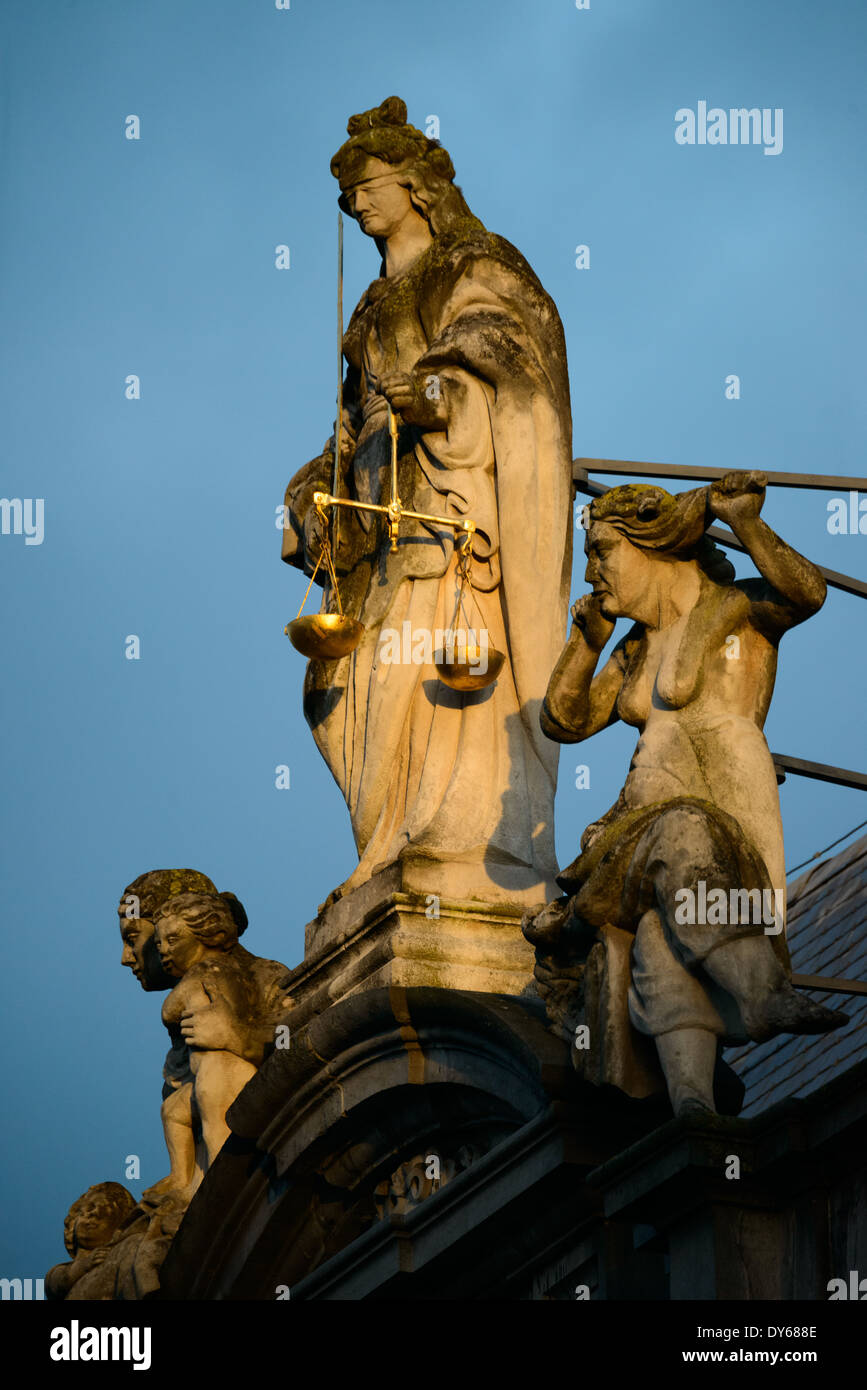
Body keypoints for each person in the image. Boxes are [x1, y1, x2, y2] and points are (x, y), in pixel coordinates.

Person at [281, 96, 573, 907]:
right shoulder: (371, 305)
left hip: (449, 502)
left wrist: (441, 392)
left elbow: (510, 353)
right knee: (345, 686)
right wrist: (317, 484)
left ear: (415, 184)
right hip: (378, 508)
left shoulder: (471, 264)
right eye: (348, 197)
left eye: (368, 186)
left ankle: (457, 839)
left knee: (430, 666)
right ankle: (387, 840)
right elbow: (348, 422)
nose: (357, 204)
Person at [525, 470, 846, 1116]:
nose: (592, 574)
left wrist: (746, 523)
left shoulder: (734, 610)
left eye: (600, 552)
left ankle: (698, 1096)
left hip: (725, 805)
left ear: (650, 542)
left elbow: (805, 592)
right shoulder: (634, 650)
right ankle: (745, 1014)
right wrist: (584, 644)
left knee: (658, 937)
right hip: (644, 825)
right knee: (674, 845)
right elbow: (564, 720)